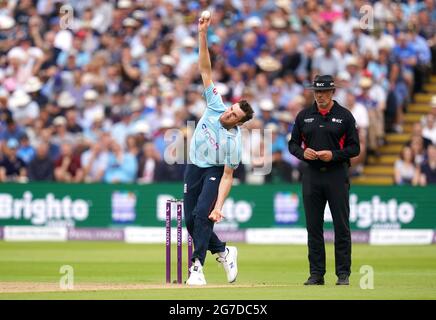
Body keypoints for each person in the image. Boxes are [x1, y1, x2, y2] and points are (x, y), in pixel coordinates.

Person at [184, 15, 254, 286]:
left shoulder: (234, 142)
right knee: (191, 221)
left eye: (234, 114)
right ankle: (224, 251)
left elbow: (227, 176)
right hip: (193, 166)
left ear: (238, 122)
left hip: (213, 171)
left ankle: (197, 267)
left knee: (203, 214)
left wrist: (219, 207)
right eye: (231, 108)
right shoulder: (215, 104)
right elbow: (205, 69)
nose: (228, 112)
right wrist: (202, 34)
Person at [288, 75, 360, 286]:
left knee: (341, 226)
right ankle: (316, 274)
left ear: (332, 92)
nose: (320, 96)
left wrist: (334, 155)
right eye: (317, 92)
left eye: (324, 92)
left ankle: (343, 274)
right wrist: (303, 154)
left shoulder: (345, 116)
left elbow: (355, 148)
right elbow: (293, 145)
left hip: (336, 174)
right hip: (311, 175)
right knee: (313, 227)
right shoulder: (304, 116)